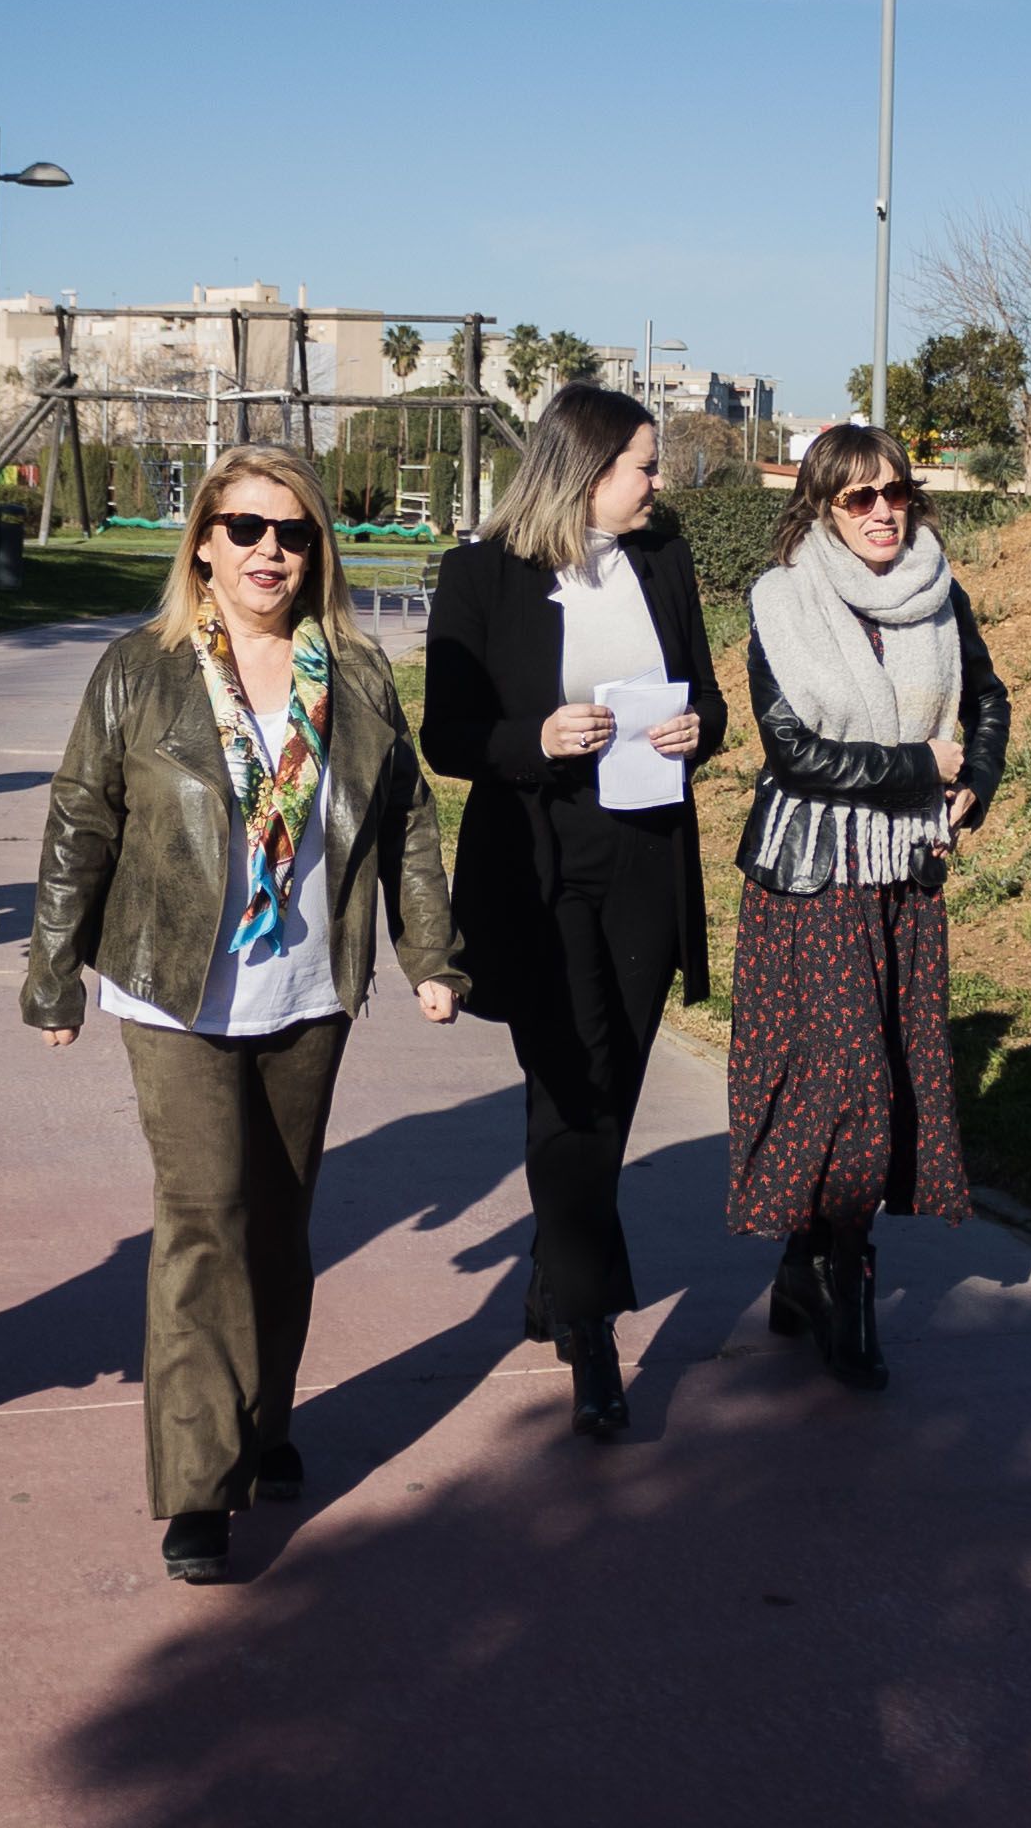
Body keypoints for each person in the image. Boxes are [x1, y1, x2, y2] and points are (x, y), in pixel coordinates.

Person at [20, 443, 463, 1584]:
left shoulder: (356, 675)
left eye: (296, 532)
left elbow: (405, 821)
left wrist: (433, 951)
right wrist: (53, 964)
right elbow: (82, 817)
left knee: (279, 1222)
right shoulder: (140, 667)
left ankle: (262, 1421)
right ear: (204, 544)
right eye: (249, 529)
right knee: (204, 1216)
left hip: (310, 985)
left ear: (318, 550)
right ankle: (197, 1483)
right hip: (175, 986)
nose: (273, 550)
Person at [420, 383, 723, 1438]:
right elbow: (447, 736)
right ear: (585, 469)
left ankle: (556, 1273)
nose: (658, 481)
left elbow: (709, 700)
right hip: (536, 865)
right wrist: (533, 741)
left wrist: (699, 732)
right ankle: (592, 1328)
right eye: (644, 463)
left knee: (615, 1080)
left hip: (645, 856)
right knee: (568, 1084)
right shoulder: (480, 572)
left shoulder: (664, 562)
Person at [725, 426, 1008, 1390]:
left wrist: (978, 776)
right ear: (820, 508)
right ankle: (846, 1286)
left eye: (896, 492)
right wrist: (917, 768)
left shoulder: (938, 590)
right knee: (848, 1086)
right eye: (858, 498)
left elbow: (989, 698)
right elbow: (796, 752)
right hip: (811, 877)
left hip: (906, 872)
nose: (885, 511)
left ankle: (802, 1269)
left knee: (882, 1071)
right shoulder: (782, 601)